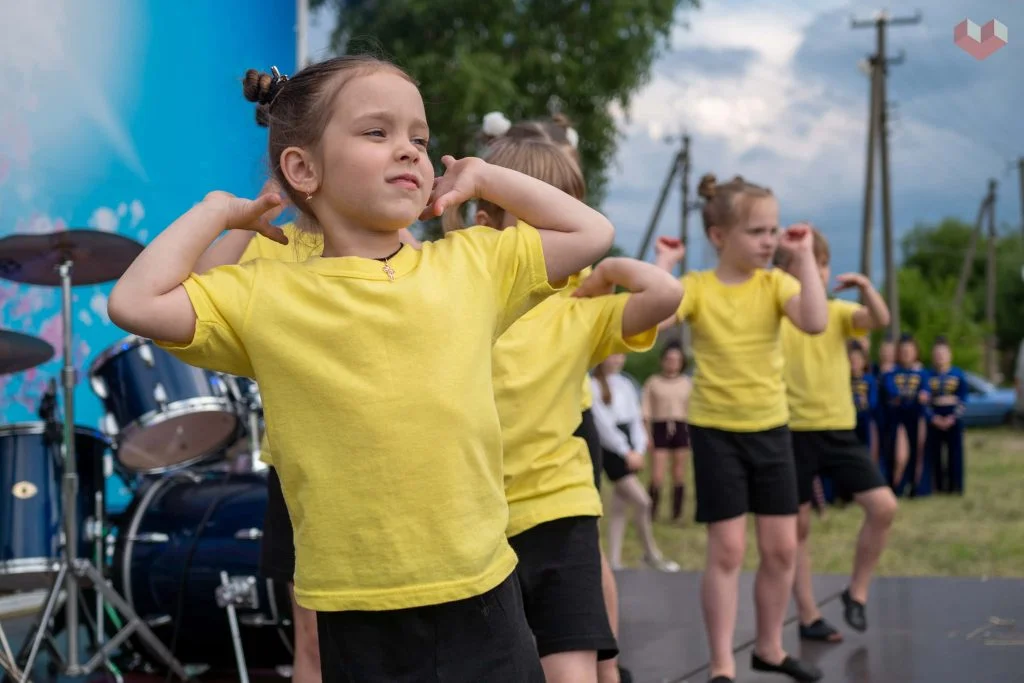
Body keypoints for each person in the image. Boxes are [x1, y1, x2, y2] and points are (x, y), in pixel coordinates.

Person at [108, 55, 615, 682]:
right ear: (303, 169)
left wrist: (485, 176)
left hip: (482, 591)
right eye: (377, 132)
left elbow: (590, 231)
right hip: (356, 609)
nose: (408, 150)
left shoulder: (473, 265)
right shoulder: (266, 294)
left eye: (420, 139)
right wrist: (218, 211)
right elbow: (134, 303)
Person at [445, 122, 682, 682]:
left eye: (568, 214)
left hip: (558, 509)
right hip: (477, 521)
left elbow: (666, 293)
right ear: (488, 222)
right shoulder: (458, 291)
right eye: (542, 218)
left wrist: (609, 270)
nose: (563, 233)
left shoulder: (578, 311)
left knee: (572, 668)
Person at [194, 180, 423, 683]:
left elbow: (425, 291)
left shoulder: (386, 237)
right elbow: (193, 290)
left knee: (411, 639)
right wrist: (240, 220)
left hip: (398, 470)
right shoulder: (272, 242)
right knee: (314, 640)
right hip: (306, 475)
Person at [656, 173, 828, 683]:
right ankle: (722, 665)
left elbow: (815, 321)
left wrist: (803, 258)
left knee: (782, 548)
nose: (769, 240)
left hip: (770, 430)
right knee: (728, 549)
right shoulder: (698, 287)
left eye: (774, 230)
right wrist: (665, 265)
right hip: (716, 433)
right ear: (719, 236)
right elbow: (654, 317)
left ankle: (770, 648)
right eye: (757, 231)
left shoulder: (776, 284)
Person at [775, 228, 897, 642]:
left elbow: (879, 319)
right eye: (810, 263)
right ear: (786, 272)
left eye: (824, 264)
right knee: (798, 528)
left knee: (883, 507)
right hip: (791, 433)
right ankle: (808, 615)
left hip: (838, 431)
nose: (820, 271)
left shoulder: (838, 313)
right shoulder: (779, 315)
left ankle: (856, 593)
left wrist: (866, 288)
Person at [590, 355, 681, 573]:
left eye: (621, 355)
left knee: (619, 506)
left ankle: (614, 561)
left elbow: (635, 418)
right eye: (612, 355)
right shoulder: (592, 385)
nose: (617, 360)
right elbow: (603, 425)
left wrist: (638, 449)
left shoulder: (625, 383)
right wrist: (625, 451)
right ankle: (651, 553)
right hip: (612, 449)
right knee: (643, 502)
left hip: (629, 445)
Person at [642, 340, 693, 522]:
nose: (672, 363)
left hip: (681, 427)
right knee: (657, 474)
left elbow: (692, 410)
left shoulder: (687, 383)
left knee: (679, 473)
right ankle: (651, 511)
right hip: (660, 427)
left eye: (676, 360)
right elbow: (645, 412)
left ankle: (676, 513)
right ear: (663, 360)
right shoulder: (653, 382)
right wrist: (647, 435)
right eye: (669, 359)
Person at [880, 334, 928, 497]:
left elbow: (925, 393)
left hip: (916, 417)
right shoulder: (891, 373)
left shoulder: (922, 373)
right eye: (903, 351)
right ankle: (896, 486)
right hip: (896, 418)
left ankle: (916, 487)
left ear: (916, 352)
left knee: (918, 451)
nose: (906, 354)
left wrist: (916, 396)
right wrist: (912, 396)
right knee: (896, 454)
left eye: (910, 350)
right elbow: (892, 392)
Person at [923, 337, 968, 494]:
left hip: (953, 419)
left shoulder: (958, 374)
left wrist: (953, 417)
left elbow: (963, 399)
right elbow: (925, 402)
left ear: (950, 355)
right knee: (935, 454)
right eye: (937, 354)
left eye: (943, 353)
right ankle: (939, 486)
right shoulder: (928, 376)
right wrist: (933, 418)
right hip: (935, 419)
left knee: (955, 454)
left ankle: (956, 486)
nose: (940, 357)